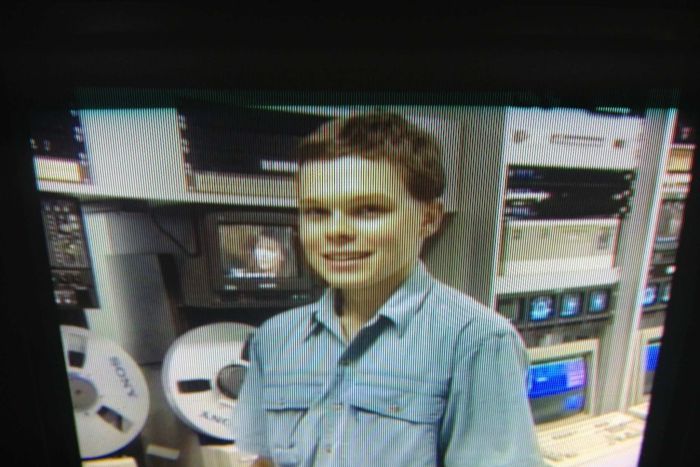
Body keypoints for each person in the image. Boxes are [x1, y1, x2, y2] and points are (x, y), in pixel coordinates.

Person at [232, 111, 543, 466]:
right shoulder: (274, 338)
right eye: (317, 212)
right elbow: (266, 460)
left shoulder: (476, 341)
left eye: (367, 210)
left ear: (429, 218)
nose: (336, 231)